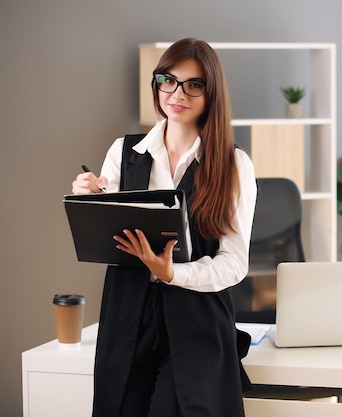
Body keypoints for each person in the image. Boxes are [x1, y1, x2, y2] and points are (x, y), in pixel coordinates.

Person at [71, 38, 256, 417]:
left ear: (211, 92)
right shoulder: (124, 152)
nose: (177, 93)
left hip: (197, 320)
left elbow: (234, 263)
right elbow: (106, 228)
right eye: (167, 80)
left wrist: (173, 273)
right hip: (127, 316)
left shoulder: (233, 164)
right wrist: (85, 196)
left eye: (194, 84)